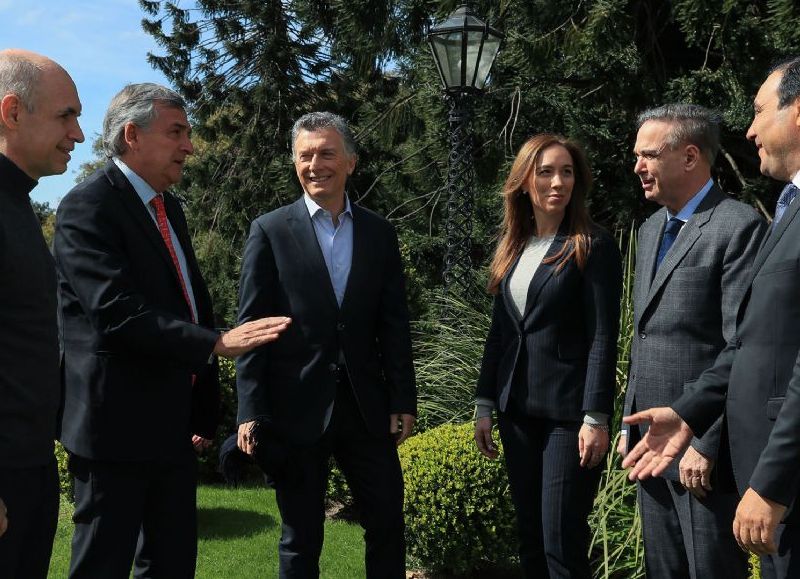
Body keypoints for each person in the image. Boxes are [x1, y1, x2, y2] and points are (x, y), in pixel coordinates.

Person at [53, 83, 291, 578]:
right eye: (177, 132)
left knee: (172, 563)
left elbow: (186, 304)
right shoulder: (87, 207)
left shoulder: (169, 207)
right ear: (132, 135)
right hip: (112, 429)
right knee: (103, 564)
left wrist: (201, 401)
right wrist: (215, 343)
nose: (189, 145)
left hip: (170, 425)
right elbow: (116, 312)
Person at [623, 56, 800, 579]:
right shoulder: (785, 210)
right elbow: (754, 341)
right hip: (663, 441)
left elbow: (739, 341)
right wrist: (681, 412)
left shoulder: (738, 224)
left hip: (735, 464)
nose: (749, 129)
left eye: (760, 110)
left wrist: (715, 444)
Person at [236, 111, 416, 578]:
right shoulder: (270, 231)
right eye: (305, 155)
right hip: (295, 409)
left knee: (387, 525)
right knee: (301, 537)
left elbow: (393, 324)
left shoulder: (379, 233)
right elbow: (251, 327)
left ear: (351, 162)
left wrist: (402, 399)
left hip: (366, 409)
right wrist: (250, 409)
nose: (315, 164)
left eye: (326, 153)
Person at [473, 133, 622, 578]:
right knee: (530, 539)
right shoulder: (513, 246)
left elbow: (603, 336)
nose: (558, 182)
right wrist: (485, 403)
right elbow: (500, 335)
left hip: (568, 417)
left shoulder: (591, 245)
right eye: (545, 172)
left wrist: (596, 416)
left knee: (561, 540)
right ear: (523, 182)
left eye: (567, 172)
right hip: (516, 413)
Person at [0, 48, 84, 578]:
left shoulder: (19, 205)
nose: (77, 133)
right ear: (11, 112)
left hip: (28, 467)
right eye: (65, 115)